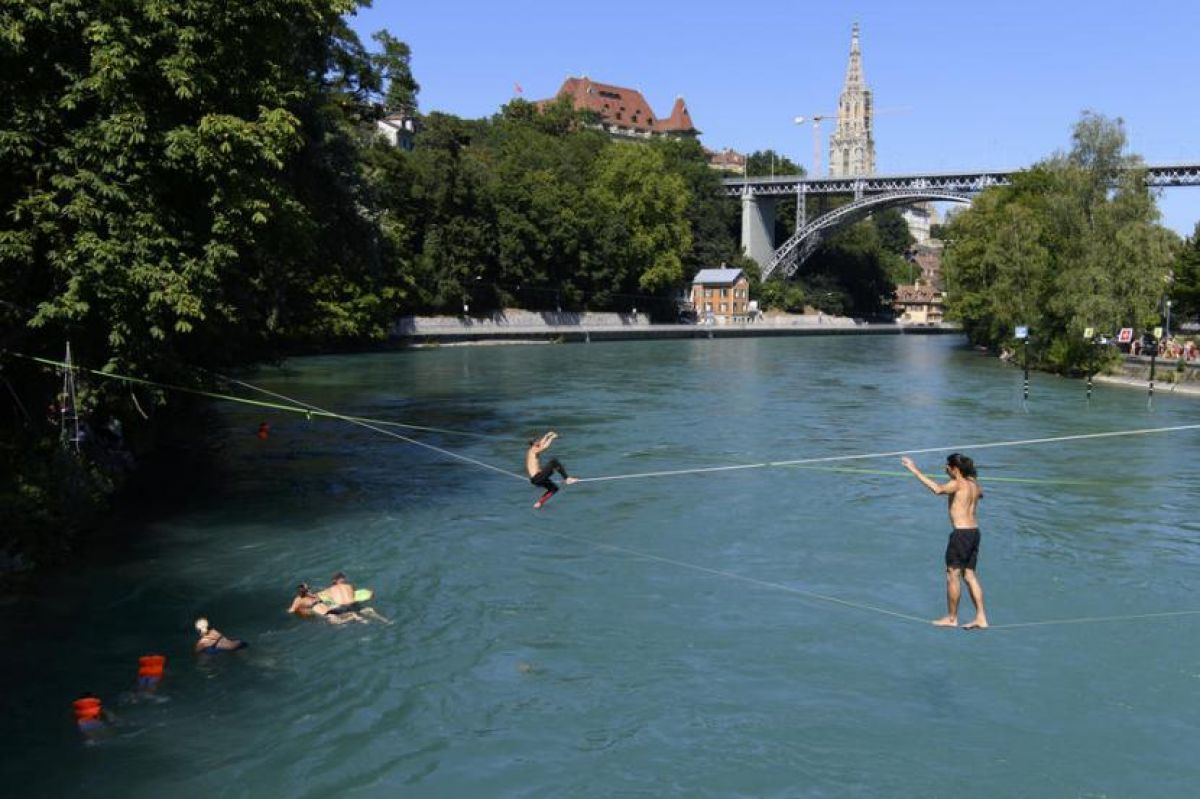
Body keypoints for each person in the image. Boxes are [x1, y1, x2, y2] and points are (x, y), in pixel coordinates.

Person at [901, 452, 989, 630]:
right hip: (974, 532)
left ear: (955, 469)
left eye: (947, 467)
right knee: (969, 575)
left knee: (952, 575)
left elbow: (937, 489)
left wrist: (914, 470)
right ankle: (981, 617)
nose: (945, 470)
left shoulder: (957, 484)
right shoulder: (975, 485)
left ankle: (951, 618)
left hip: (961, 534)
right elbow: (980, 495)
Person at [526, 431, 578, 509]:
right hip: (537, 477)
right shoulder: (533, 450)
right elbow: (544, 447)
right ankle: (567, 478)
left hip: (536, 480)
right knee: (554, 462)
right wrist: (551, 438)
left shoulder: (532, 450)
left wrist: (547, 435)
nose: (540, 442)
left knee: (554, 489)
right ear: (534, 443)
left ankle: (539, 503)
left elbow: (541, 444)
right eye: (538, 441)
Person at [315, 573, 390, 624]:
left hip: (341, 607)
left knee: (332, 619)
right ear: (342, 579)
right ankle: (384, 620)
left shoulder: (329, 590)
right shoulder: (349, 586)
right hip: (353, 605)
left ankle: (352, 617)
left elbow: (319, 596)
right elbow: (356, 595)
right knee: (366, 610)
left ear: (334, 580)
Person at [287, 582, 362, 625]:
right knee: (343, 615)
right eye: (307, 589)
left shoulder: (302, 599)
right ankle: (354, 616)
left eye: (308, 589)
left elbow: (292, 610)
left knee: (336, 622)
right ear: (304, 591)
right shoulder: (313, 595)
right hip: (331, 609)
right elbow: (292, 609)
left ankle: (353, 616)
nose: (309, 590)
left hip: (327, 612)